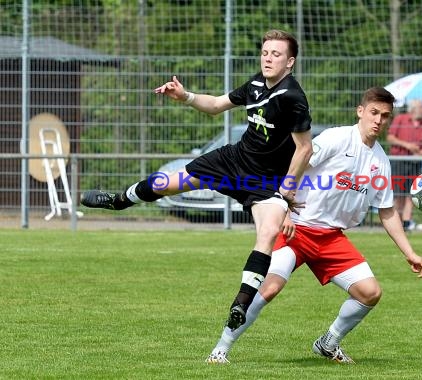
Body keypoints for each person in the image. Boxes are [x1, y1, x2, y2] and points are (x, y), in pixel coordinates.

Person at [80, 29, 313, 331]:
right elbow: (216, 105)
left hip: (264, 180)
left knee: (268, 233)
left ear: (290, 62)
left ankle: (240, 304)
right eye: (265, 52)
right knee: (166, 184)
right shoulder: (256, 83)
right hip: (232, 161)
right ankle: (119, 201)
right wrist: (185, 96)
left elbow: (304, 148)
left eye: (276, 54)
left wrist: (286, 191)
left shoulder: (293, 97)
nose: (268, 58)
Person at [206, 87, 422, 364]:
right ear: (360, 111)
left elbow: (387, 211)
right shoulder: (337, 138)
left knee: (370, 293)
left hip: (331, 238)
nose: (378, 121)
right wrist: (282, 208)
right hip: (296, 227)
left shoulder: (380, 161)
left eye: (385, 116)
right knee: (270, 288)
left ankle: (328, 343)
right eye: (374, 113)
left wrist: (410, 253)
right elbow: (294, 163)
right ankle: (220, 349)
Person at [386, 99, 422, 231]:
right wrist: (408, 145)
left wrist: (421, 153)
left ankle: (406, 222)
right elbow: (390, 138)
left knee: (411, 194)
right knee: (398, 193)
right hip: (399, 160)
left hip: (415, 162)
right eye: (421, 106)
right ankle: (396, 221)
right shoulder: (401, 119)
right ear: (413, 109)